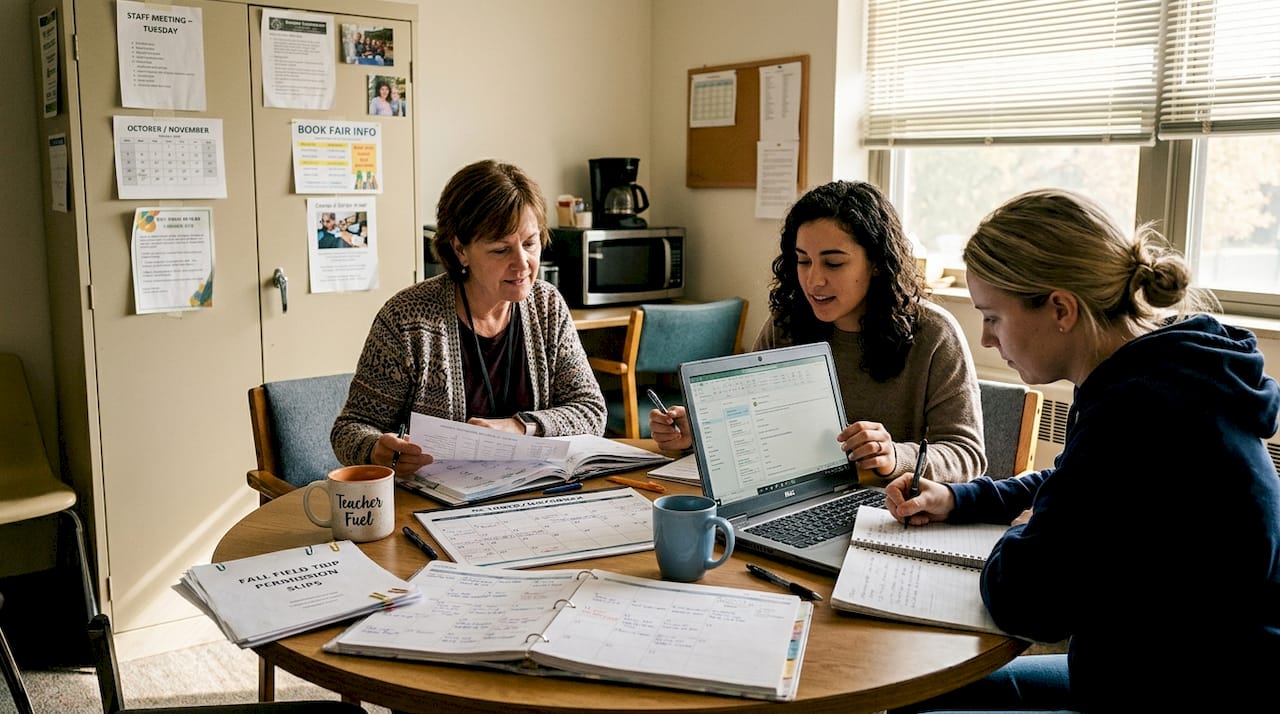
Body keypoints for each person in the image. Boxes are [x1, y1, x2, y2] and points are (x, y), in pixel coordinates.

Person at [887, 189, 1280, 712]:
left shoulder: (1139, 414)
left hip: (1187, 692)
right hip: (1166, 666)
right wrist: (961, 500)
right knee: (922, 692)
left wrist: (1021, 530)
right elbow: (1071, 482)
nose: (985, 339)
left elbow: (1025, 602)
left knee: (911, 705)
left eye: (993, 317)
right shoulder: (1165, 370)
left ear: (1060, 309)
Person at [650, 180, 986, 483]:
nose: (814, 280)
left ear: (877, 263)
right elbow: (750, 422)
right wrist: (699, 434)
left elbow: (966, 455)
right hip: (794, 500)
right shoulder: (787, 323)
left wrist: (897, 456)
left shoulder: (935, 334)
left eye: (833, 263)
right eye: (803, 261)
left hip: (887, 513)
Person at [332, 159, 607, 474]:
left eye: (530, 244)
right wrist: (375, 449)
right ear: (460, 249)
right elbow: (350, 429)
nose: (523, 264)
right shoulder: (407, 320)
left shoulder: (547, 306)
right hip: (432, 503)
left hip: (532, 492)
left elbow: (591, 411)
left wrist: (520, 427)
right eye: (501, 250)